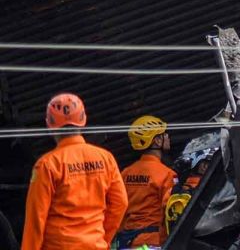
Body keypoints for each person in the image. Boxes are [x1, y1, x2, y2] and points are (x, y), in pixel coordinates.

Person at [21, 94, 127, 250]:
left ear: (49, 124)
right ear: (83, 120)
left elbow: (36, 219)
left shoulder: (47, 165)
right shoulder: (106, 158)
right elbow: (121, 203)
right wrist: (102, 238)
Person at [115, 115, 177, 249]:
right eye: (164, 134)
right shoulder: (167, 174)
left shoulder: (125, 173)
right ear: (157, 141)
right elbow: (171, 213)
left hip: (126, 243)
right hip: (152, 242)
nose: (168, 137)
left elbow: (117, 207)